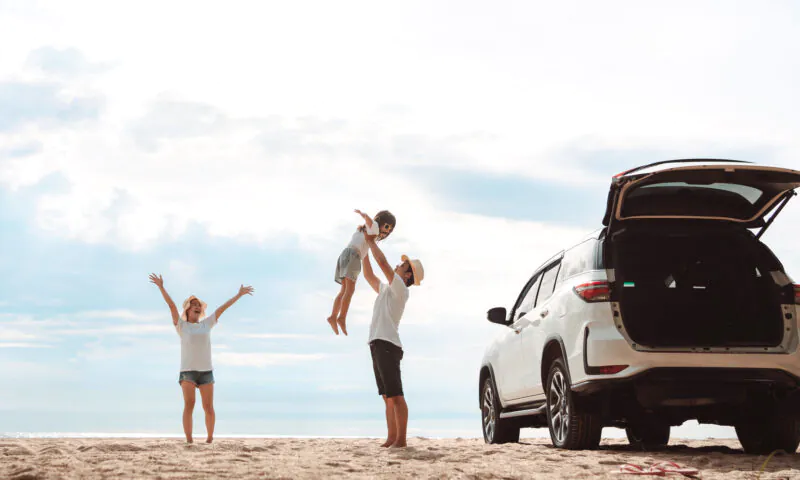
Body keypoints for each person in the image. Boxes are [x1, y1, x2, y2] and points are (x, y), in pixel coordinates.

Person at [149, 273, 254, 444]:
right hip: (187, 372)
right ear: (188, 310)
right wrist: (161, 286)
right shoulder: (181, 326)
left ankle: (210, 439)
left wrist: (239, 295)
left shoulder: (207, 324)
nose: (197, 307)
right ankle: (189, 441)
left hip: (206, 372)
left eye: (199, 305)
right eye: (193, 305)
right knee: (189, 405)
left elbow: (222, 309)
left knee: (208, 408)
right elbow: (171, 306)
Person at [360, 230, 424, 448]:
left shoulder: (400, 289)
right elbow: (369, 275)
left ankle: (401, 441)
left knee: (396, 395)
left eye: (403, 266)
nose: (399, 264)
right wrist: (364, 250)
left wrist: (370, 241)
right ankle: (391, 438)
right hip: (377, 343)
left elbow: (383, 262)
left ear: (407, 276)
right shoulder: (387, 289)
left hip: (388, 345)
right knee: (387, 396)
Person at [327, 209, 397, 336]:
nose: (387, 230)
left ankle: (333, 316)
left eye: (390, 230)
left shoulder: (363, 231)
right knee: (350, 290)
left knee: (343, 291)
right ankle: (341, 317)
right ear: (380, 221)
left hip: (345, 255)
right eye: (387, 226)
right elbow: (373, 223)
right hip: (354, 256)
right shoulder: (374, 228)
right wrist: (365, 216)